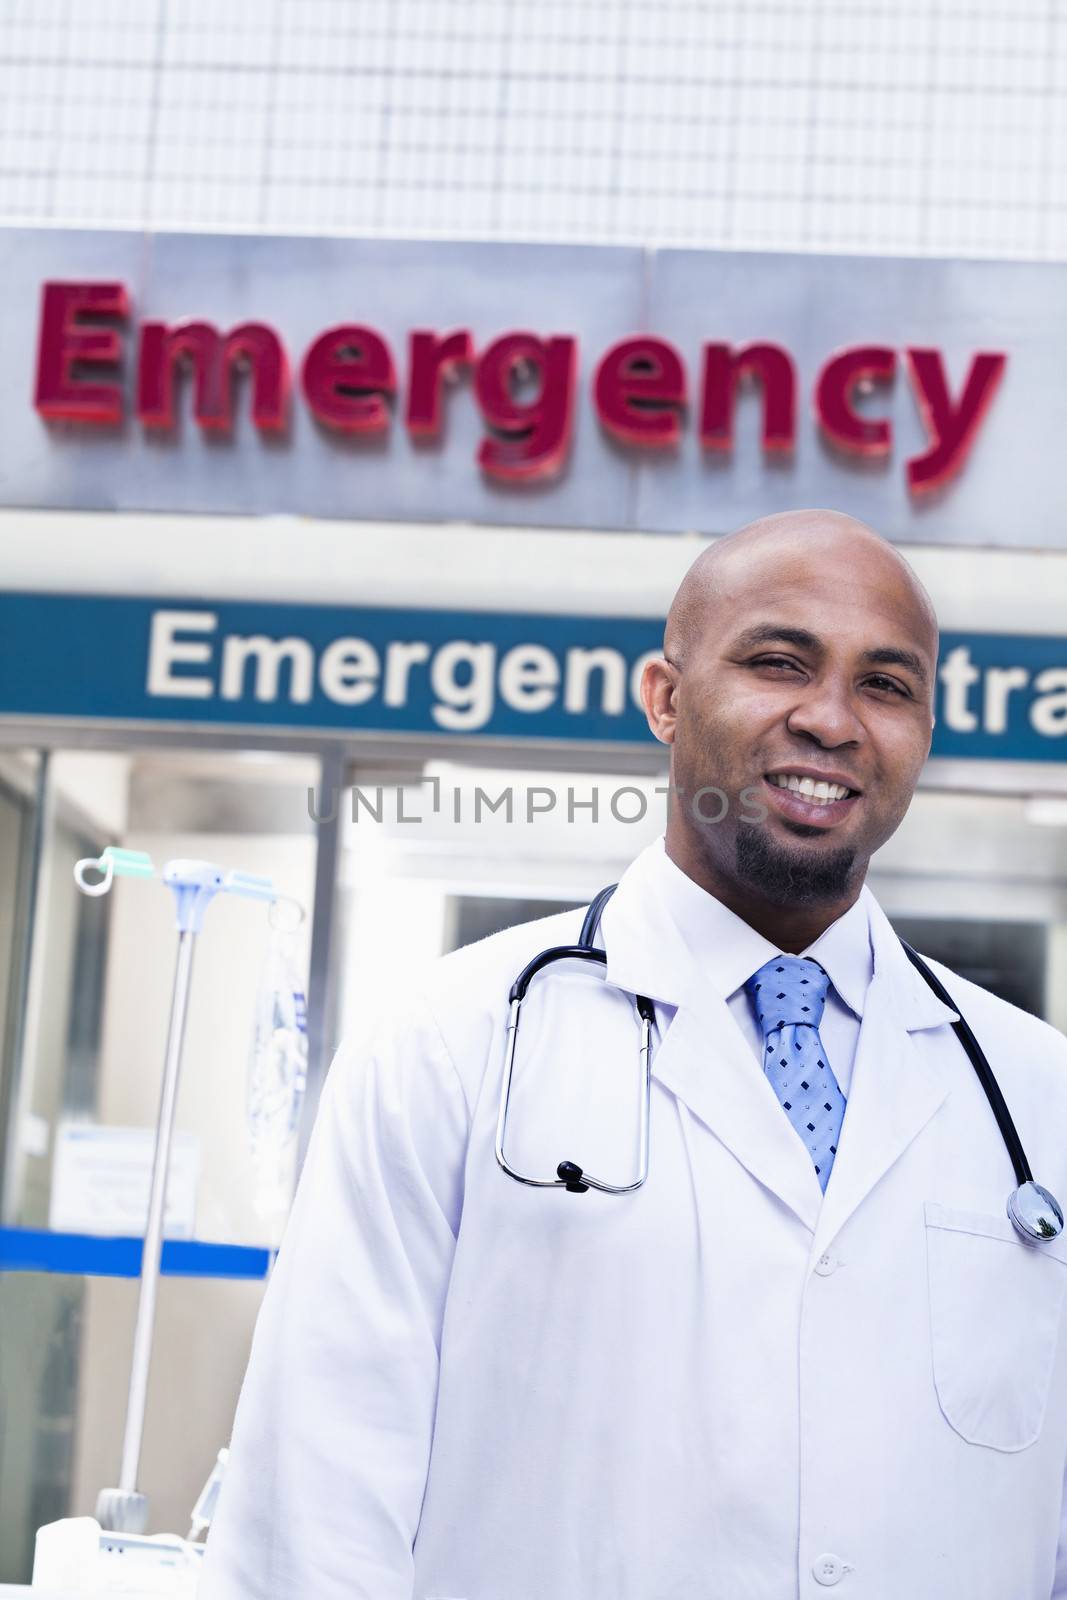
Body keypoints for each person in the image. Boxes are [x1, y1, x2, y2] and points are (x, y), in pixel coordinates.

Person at [199, 508, 1067, 1600]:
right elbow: (312, 1514)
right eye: (776, 661)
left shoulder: (1035, 1097)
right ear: (663, 695)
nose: (832, 719)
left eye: (884, 684)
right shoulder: (449, 1045)